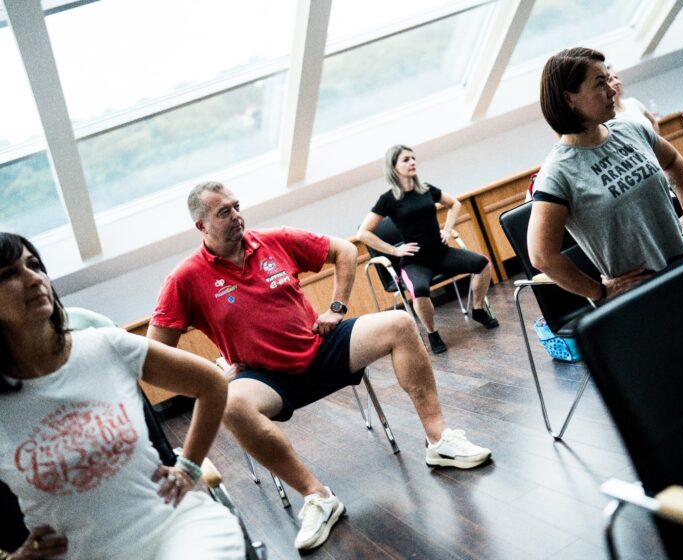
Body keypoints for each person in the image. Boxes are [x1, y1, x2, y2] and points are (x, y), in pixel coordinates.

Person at [147, 181, 492, 551]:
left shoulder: (274, 240)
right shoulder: (185, 278)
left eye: (236, 206)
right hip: (265, 377)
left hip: (320, 346)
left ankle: (438, 440)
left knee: (400, 324)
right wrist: (211, 376)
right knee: (231, 405)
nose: (236, 216)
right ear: (201, 226)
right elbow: (153, 353)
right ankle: (318, 496)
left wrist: (337, 308)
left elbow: (345, 250)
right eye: (223, 212)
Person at [0, 233, 244, 560]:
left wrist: (187, 469)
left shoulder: (105, 345)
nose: (33, 279)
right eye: (9, 274)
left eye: (34, 265)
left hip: (171, 526)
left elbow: (211, 382)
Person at [528, 47, 683, 304]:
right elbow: (542, 256)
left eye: (608, 80)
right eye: (600, 84)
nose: (612, 90)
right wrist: (599, 292)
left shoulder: (631, 129)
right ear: (569, 99)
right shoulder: (556, 173)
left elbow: (672, 161)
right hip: (640, 290)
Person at [357, 145, 498, 354]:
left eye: (413, 158)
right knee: (420, 291)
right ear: (394, 167)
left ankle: (478, 309)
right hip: (415, 262)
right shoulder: (388, 200)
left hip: (442, 253)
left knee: (483, 264)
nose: (412, 162)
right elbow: (363, 233)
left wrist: (447, 229)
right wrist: (394, 251)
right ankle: (433, 333)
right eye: (406, 160)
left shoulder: (426, 189)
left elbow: (454, 204)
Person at [606, 65, 660, 134]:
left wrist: (656, 139)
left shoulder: (633, 102)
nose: (617, 82)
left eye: (616, 77)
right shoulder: (609, 118)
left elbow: (653, 121)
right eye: (610, 80)